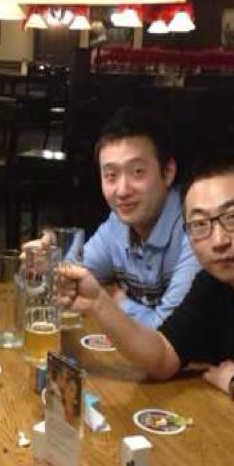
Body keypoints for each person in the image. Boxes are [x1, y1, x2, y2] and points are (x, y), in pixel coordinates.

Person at [57, 153, 234, 440]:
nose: (218, 241)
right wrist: (98, 303)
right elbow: (162, 357)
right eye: (200, 224)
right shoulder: (213, 284)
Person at [30, 105, 201, 328]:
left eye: (137, 172)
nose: (122, 191)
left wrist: (113, 300)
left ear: (168, 172)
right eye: (111, 175)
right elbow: (71, 286)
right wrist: (48, 265)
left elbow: (167, 333)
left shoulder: (197, 228)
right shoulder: (117, 224)